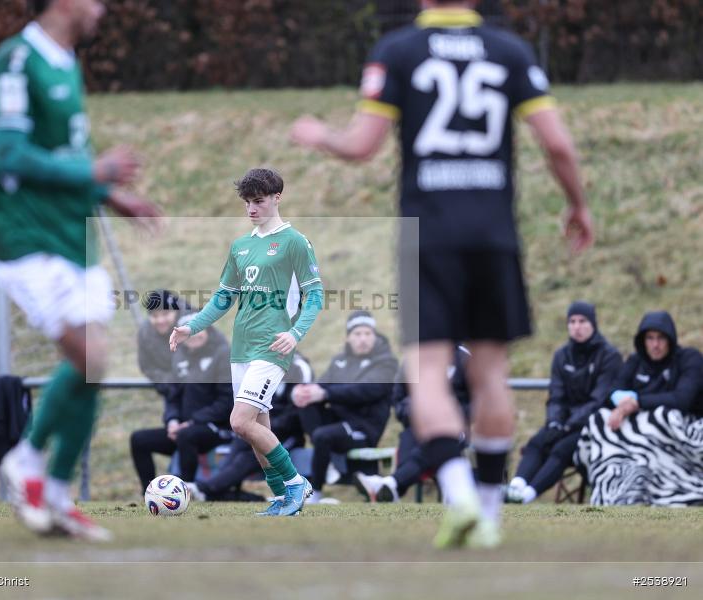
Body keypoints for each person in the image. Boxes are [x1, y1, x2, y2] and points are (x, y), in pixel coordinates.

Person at [291, 0, 593, 547]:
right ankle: (490, 517)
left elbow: (362, 146)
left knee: (428, 369)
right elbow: (557, 143)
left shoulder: (399, 49)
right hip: (494, 233)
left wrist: (320, 135)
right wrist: (578, 205)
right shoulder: (510, 50)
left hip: (428, 235)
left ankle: (457, 497)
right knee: (491, 374)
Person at [0, 0, 161, 541]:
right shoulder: (15, 61)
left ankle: (57, 495)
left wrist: (110, 195)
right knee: (89, 354)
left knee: (94, 364)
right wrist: (94, 169)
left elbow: (69, 153)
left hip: (70, 233)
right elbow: (9, 155)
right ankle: (27, 460)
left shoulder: (66, 61)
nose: (101, 10)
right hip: (25, 236)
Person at [170, 167, 324, 516]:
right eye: (247, 203)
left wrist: (295, 332)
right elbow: (223, 298)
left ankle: (297, 485)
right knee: (254, 429)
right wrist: (191, 327)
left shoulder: (295, 242)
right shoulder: (240, 247)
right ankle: (283, 498)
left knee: (239, 422)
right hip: (241, 348)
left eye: (259, 201)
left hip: (272, 347)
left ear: (276, 198)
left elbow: (315, 296)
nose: (252, 209)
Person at [575, 311, 703, 505]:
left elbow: (682, 399)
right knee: (599, 421)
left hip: (682, 431)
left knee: (661, 418)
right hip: (638, 440)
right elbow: (612, 393)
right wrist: (622, 403)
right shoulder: (636, 362)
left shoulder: (690, 359)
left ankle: (672, 489)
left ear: (670, 339)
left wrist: (636, 402)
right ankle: (620, 487)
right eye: (650, 338)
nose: (655, 344)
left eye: (660, 338)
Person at [506, 301, 621, 503]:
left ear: (593, 324)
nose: (576, 326)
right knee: (537, 443)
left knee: (561, 449)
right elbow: (556, 396)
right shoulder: (561, 355)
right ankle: (514, 488)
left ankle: (526, 496)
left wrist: (568, 426)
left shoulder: (609, 356)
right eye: (572, 321)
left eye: (582, 321)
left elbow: (599, 400)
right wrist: (554, 422)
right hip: (563, 423)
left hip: (593, 427)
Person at [292, 311, 397, 503]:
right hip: (339, 422)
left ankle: (315, 492)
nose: (363, 339)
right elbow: (323, 384)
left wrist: (326, 393)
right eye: (357, 334)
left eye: (367, 333)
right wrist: (306, 392)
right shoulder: (340, 361)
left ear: (374, 336)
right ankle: (331, 460)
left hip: (362, 428)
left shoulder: (387, 363)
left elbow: (364, 391)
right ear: (348, 337)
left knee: (322, 436)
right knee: (305, 404)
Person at [130, 312, 233, 493]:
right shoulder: (179, 356)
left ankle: (186, 492)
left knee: (187, 435)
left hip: (215, 429)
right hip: (183, 429)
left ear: (207, 330)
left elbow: (227, 402)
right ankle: (149, 493)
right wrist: (172, 420)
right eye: (189, 332)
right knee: (139, 440)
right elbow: (173, 395)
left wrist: (193, 422)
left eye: (198, 330)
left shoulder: (222, 354)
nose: (194, 336)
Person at [190, 353, 312, 502]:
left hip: (287, 434)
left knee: (247, 456)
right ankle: (215, 491)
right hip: (260, 425)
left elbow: (301, 408)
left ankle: (205, 489)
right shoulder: (259, 362)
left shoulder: (299, 367)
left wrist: (269, 426)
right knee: (239, 443)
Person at [355, 345, 471, 503]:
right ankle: (392, 488)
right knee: (410, 440)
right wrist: (413, 409)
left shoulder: (465, 358)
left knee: (432, 443)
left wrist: (452, 409)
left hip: (455, 428)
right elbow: (398, 398)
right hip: (418, 424)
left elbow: (478, 401)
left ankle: (390, 484)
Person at [137, 289, 194, 399]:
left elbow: (216, 353)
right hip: (171, 391)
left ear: (176, 311)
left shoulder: (195, 324)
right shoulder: (145, 333)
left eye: (165, 314)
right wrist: (165, 382)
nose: (160, 320)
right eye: (155, 316)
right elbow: (147, 366)